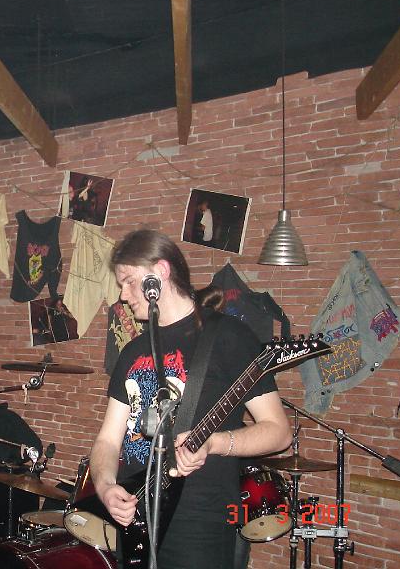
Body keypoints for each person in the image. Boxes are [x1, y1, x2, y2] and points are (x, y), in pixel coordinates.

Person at [89, 229, 290, 568]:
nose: (123, 295)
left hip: (200, 524)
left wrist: (214, 443)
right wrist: (106, 486)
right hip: (135, 519)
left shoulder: (228, 337)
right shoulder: (132, 351)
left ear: (159, 273)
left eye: (129, 282)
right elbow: (108, 440)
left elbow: (278, 432)